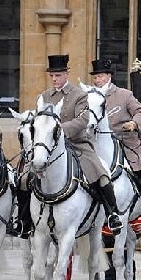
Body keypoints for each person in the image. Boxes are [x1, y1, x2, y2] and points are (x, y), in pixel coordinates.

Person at [39, 54, 122, 234]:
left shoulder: (79, 95)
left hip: (76, 144)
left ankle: (112, 213)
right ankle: (23, 220)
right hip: (49, 147)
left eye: (58, 75)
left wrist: (58, 130)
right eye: (52, 76)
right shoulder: (45, 96)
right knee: (24, 178)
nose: (54, 79)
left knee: (100, 174)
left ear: (66, 74)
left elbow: (82, 121)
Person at [90, 58, 141, 210]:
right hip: (99, 140)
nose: (97, 80)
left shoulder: (124, 95)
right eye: (95, 77)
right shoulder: (90, 97)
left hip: (125, 138)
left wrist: (134, 123)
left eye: (100, 76)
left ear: (109, 76)